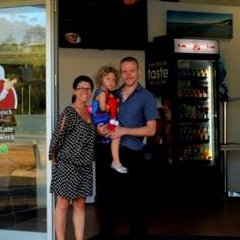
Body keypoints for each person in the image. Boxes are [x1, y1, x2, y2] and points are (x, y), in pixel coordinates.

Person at [96, 56, 159, 240]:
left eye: (132, 70)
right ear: (120, 73)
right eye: (124, 71)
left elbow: (152, 129)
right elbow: (101, 118)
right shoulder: (112, 94)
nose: (128, 75)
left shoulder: (147, 97)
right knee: (107, 204)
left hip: (133, 154)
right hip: (109, 154)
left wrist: (124, 130)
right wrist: (100, 130)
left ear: (138, 70)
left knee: (136, 205)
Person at [49, 75, 96, 240]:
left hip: (84, 166)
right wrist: (54, 160)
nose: (85, 91)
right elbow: (57, 137)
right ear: (74, 91)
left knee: (80, 204)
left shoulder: (90, 113)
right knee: (62, 205)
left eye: (88, 88)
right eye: (81, 88)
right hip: (67, 165)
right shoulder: (69, 112)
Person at [92, 65, 127, 173]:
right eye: (108, 79)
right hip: (101, 120)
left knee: (115, 137)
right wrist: (112, 105)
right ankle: (116, 162)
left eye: (113, 80)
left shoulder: (108, 93)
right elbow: (103, 107)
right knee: (117, 136)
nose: (111, 82)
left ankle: (116, 161)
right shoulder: (102, 93)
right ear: (101, 79)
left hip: (104, 119)